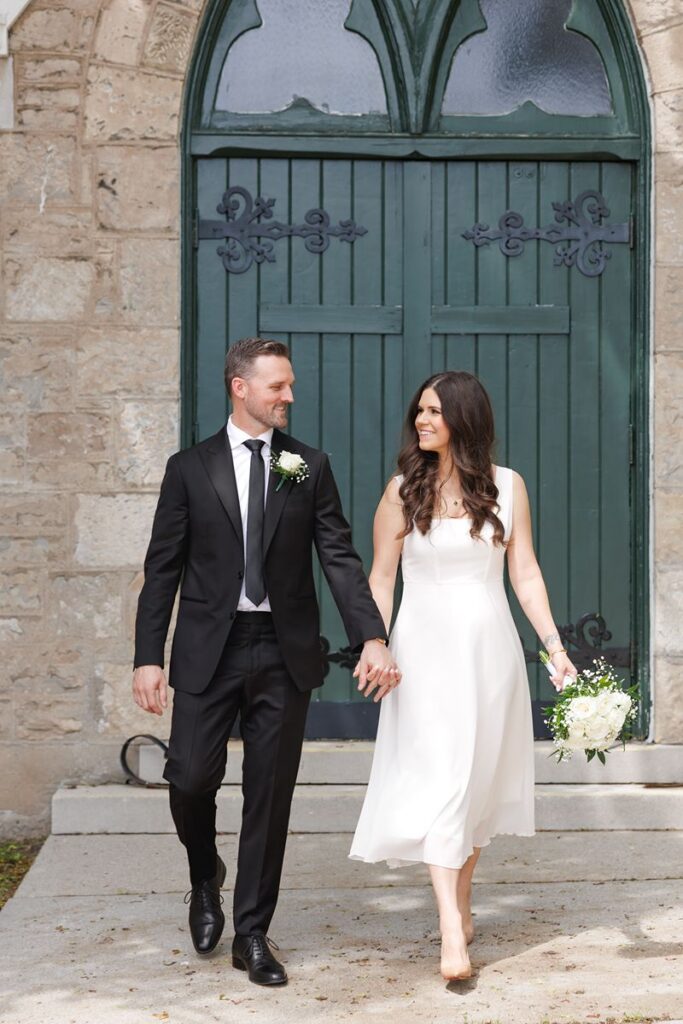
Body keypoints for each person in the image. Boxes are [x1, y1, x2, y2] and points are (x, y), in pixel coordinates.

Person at [133, 337, 400, 986]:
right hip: (208, 652)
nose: (288, 395)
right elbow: (161, 567)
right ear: (239, 387)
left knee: (267, 796)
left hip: (284, 653)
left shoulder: (306, 465)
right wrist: (147, 657)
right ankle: (205, 875)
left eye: (289, 385)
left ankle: (251, 934)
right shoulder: (189, 469)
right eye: (277, 385)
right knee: (190, 777)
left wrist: (370, 634)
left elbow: (337, 554)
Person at [349, 370, 577, 982]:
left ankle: (460, 898)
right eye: (419, 411)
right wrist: (375, 642)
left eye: (433, 412)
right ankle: (452, 926)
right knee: (445, 778)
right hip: (422, 653)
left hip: (489, 648)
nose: (421, 421)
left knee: (476, 782)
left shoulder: (507, 487)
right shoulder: (402, 491)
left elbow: (525, 573)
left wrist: (554, 647)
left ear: (464, 420)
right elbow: (380, 577)